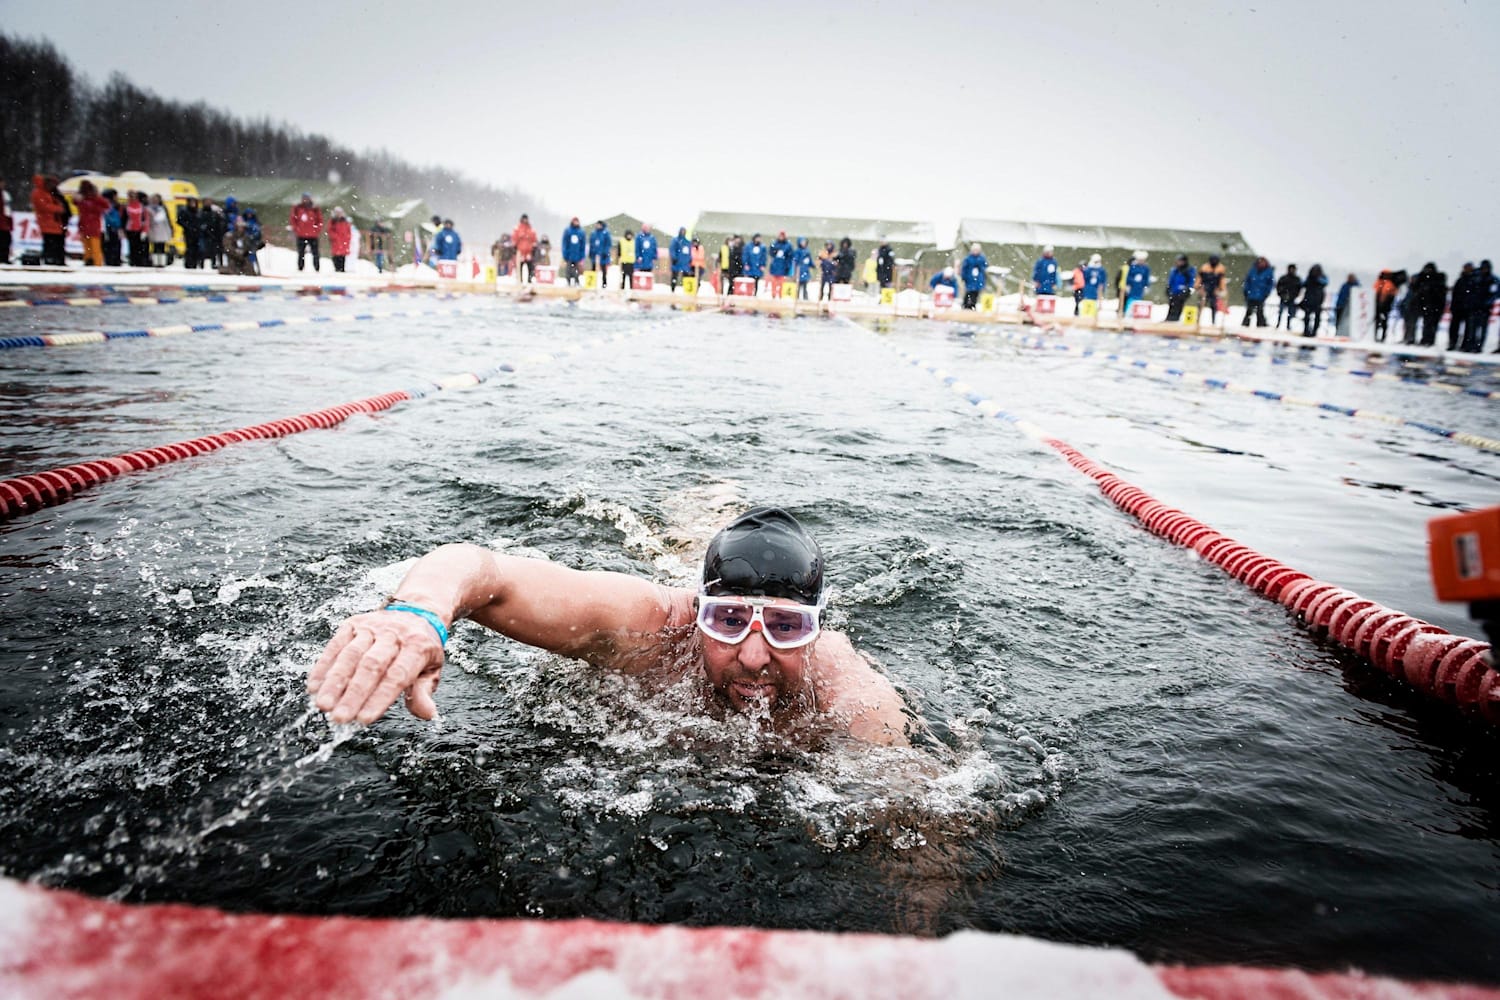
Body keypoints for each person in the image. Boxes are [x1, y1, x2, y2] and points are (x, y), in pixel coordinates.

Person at [306, 507, 910, 746]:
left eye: (785, 626)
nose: (754, 655)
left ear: (816, 630)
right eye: (726, 620)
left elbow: (921, 812)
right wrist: (418, 613)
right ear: (698, 614)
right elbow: (480, 567)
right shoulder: (652, 627)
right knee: (679, 543)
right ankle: (698, 515)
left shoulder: (847, 688)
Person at [73, 180, 109, 268]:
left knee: (92, 247)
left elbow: (105, 206)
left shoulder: (94, 199)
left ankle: (95, 263)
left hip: (91, 226)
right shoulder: (85, 199)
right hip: (87, 225)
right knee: (90, 246)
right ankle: (91, 262)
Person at [31, 175, 65, 266]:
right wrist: (58, 208)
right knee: (49, 242)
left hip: (54, 222)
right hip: (47, 222)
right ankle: (49, 259)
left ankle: (54, 259)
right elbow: (43, 206)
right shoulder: (39, 193)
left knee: (55, 242)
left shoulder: (48, 193)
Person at [290, 192, 324, 272]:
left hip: (313, 235)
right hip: (301, 234)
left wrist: (316, 230)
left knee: (315, 253)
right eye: (304, 198)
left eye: (307, 198)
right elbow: (293, 219)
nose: (306, 200)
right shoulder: (297, 208)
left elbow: (320, 220)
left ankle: (317, 268)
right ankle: (300, 268)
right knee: (301, 252)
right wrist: (296, 229)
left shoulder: (315, 208)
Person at [1465, 260, 1495, 353]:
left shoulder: (1491, 279)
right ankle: (1471, 346)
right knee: (1472, 329)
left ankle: (1478, 347)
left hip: (1484, 309)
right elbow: (1470, 291)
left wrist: (1486, 304)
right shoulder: (1476, 277)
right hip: (1475, 307)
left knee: (1481, 329)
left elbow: (1493, 294)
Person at [1448, 263, 1476, 351]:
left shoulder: (1474, 280)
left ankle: (1465, 345)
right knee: (1454, 328)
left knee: (1468, 329)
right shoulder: (1460, 280)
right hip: (1458, 307)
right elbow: (1455, 294)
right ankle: (1453, 343)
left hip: (1469, 308)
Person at [1241, 256, 1275, 327]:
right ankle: (1245, 325)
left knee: (1259, 311)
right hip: (1251, 294)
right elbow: (1247, 281)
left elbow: (1270, 284)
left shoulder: (1268, 272)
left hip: (1261, 295)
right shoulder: (1253, 270)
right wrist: (1246, 290)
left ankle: (1260, 325)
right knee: (1249, 311)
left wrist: (1266, 293)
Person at [1371, 269, 1402, 343]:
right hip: (1379, 305)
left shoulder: (1389, 284)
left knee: (1382, 321)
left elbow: (1389, 295)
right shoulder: (1381, 283)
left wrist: (1384, 303)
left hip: (1383, 305)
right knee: (1379, 321)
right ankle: (1376, 336)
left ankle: (1382, 337)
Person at [1299, 264, 1328, 337]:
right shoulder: (1310, 278)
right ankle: (1307, 330)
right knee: (1307, 317)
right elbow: (1303, 284)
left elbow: (1325, 282)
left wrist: (1316, 279)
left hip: (1316, 300)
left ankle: (1314, 331)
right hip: (1310, 300)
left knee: (1316, 318)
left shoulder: (1321, 278)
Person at [1164, 255, 1196, 322]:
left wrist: (1187, 290)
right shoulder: (1175, 270)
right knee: (1171, 305)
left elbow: (1191, 282)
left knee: (1179, 306)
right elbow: (1171, 280)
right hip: (1174, 291)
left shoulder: (1189, 270)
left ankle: (1176, 319)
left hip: (1182, 292)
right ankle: (1169, 318)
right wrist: (1168, 288)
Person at [1196, 254, 1226, 323]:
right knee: (1200, 305)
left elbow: (1222, 280)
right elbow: (1199, 278)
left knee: (1214, 305)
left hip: (1214, 289)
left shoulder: (1220, 268)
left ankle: (1213, 321)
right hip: (1205, 288)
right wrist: (1198, 287)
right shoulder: (1205, 267)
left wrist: (1222, 289)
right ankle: (1198, 320)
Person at [1123, 251, 1151, 322]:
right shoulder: (1133, 266)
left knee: (1138, 301)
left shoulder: (1146, 268)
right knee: (1130, 301)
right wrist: (1128, 285)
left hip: (1140, 287)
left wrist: (1146, 286)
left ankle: (1135, 315)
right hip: (1133, 287)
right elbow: (1128, 277)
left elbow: (1146, 278)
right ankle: (1127, 315)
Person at [146, 193, 173, 267]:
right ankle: (155, 262)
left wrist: (170, 230)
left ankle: (162, 262)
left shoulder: (162, 208)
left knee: (162, 247)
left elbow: (167, 220)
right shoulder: (148, 208)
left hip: (162, 230)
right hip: (153, 229)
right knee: (155, 247)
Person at [960, 243, 988, 310]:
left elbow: (985, 267)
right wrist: (963, 277)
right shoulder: (968, 258)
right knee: (969, 292)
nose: (975, 251)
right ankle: (967, 305)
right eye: (974, 250)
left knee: (976, 293)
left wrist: (980, 267)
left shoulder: (982, 258)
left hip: (978, 279)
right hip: (970, 278)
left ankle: (972, 305)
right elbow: (964, 268)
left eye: (977, 250)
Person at [176, 197, 201, 270]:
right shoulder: (184, 211)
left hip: (197, 232)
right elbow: (180, 220)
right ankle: (189, 263)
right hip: (188, 232)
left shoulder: (197, 211)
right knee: (189, 248)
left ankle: (194, 263)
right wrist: (188, 227)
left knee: (196, 249)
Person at [1274, 264, 1302, 330]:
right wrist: (1281, 294)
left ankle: (1288, 325)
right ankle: (1278, 324)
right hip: (1283, 297)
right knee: (1281, 312)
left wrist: (1294, 295)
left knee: (1290, 313)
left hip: (1291, 299)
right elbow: (1278, 287)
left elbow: (1299, 289)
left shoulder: (1297, 279)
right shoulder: (1284, 278)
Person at [512, 214, 537, 283]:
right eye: (524, 219)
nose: (525, 220)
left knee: (530, 267)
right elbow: (514, 239)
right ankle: (520, 280)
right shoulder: (517, 228)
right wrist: (515, 247)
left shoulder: (531, 229)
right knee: (519, 267)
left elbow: (534, 239)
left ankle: (530, 280)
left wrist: (534, 247)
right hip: (520, 252)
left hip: (529, 252)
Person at [768, 231, 793, 298]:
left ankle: (780, 295)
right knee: (774, 282)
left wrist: (788, 266)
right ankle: (773, 294)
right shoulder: (775, 244)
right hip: (775, 266)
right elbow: (771, 253)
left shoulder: (788, 245)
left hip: (783, 267)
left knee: (782, 283)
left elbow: (790, 256)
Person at [101, 188, 123, 267]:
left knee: (114, 244)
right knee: (112, 244)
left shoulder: (116, 205)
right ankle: (112, 260)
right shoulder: (108, 205)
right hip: (110, 227)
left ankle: (113, 260)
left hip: (114, 227)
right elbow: (108, 217)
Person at [328, 208, 354, 272]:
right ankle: (337, 268)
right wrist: (335, 237)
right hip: (336, 241)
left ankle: (342, 269)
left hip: (344, 241)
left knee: (343, 256)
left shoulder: (345, 221)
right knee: (336, 256)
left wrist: (348, 237)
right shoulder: (333, 221)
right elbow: (330, 230)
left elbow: (348, 231)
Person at [588, 220, 612, 286]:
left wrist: (605, 252)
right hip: (595, 255)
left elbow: (608, 244)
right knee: (593, 269)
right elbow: (591, 244)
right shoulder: (593, 233)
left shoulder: (606, 233)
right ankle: (592, 283)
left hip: (603, 255)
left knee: (603, 270)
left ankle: (604, 284)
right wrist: (591, 252)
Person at [669, 226, 692, 292]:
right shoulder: (675, 240)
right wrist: (674, 258)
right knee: (674, 277)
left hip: (685, 263)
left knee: (686, 278)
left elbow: (689, 252)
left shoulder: (687, 242)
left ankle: (686, 290)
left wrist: (690, 259)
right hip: (677, 262)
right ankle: (672, 290)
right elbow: (672, 249)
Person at [0, 178, 10, 265]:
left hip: (5, 222)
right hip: (2, 222)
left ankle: (4, 258)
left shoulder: (5, 194)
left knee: (6, 240)